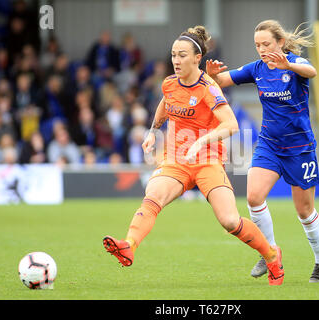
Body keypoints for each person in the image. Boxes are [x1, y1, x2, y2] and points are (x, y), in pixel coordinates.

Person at [103, 25, 284, 286]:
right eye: (173, 55)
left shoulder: (208, 88)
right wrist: (153, 131)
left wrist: (202, 141)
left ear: (197, 58)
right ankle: (128, 244)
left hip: (207, 161)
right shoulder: (169, 84)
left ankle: (271, 255)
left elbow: (231, 125)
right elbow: (165, 104)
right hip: (176, 160)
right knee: (152, 196)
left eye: (182, 55)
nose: (176, 60)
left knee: (230, 221)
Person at [206, 20, 319, 282]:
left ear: (280, 43)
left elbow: (312, 71)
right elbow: (222, 82)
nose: (261, 49)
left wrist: (288, 65)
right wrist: (212, 74)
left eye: (266, 44)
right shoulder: (257, 69)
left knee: (304, 211)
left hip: (300, 148)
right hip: (269, 144)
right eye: (257, 45)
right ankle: (270, 252)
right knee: (253, 197)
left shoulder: (295, 64)